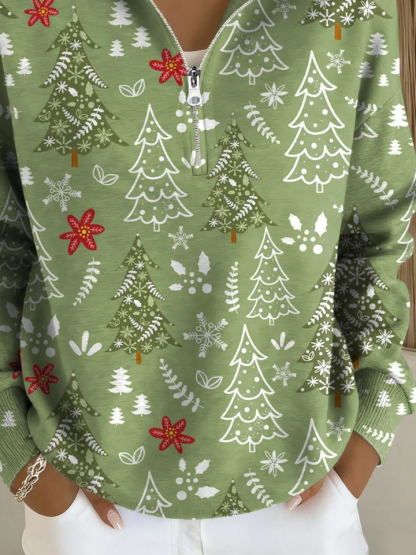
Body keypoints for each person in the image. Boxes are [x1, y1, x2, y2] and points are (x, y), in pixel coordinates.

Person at [0, 0, 415, 553]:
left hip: (302, 501)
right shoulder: (18, 12)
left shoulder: (349, 8)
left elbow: (377, 236)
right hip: (83, 505)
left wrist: (364, 443)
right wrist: (28, 470)